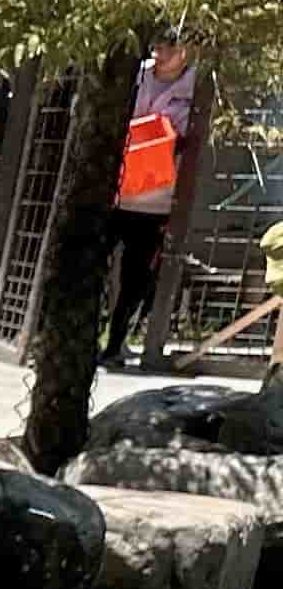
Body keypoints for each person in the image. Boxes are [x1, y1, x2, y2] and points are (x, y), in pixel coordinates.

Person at [106, 38, 200, 364]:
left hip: (155, 201)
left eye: (169, 48)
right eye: (157, 47)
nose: (160, 54)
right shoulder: (135, 76)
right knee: (91, 266)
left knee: (135, 279)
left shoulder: (197, 89)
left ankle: (115, 344)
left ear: (186, 51)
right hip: (114, 194)